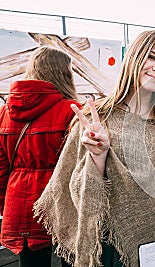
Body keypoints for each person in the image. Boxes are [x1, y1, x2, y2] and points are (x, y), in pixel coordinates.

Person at [33, 30, 155, 267]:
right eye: (151, 57)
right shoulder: (99, 117)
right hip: (117, 249)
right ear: (134, 58)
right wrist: (98, 156)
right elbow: (78, 193)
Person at [0, 46, 81, 267]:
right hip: (64, 203)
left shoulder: (5, 113)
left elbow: (0, 170)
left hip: (21, 204)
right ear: (64, 73)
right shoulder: (72, 110)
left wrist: (5, 206)